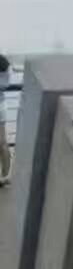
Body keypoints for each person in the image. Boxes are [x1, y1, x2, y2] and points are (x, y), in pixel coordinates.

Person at [0, 54, 11, 187]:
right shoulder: (4, 62)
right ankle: (5, 176)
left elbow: (4, 84)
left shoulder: (2, 62)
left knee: (2, 143)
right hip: (1, 105)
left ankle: (5, 177)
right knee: (2, 142)